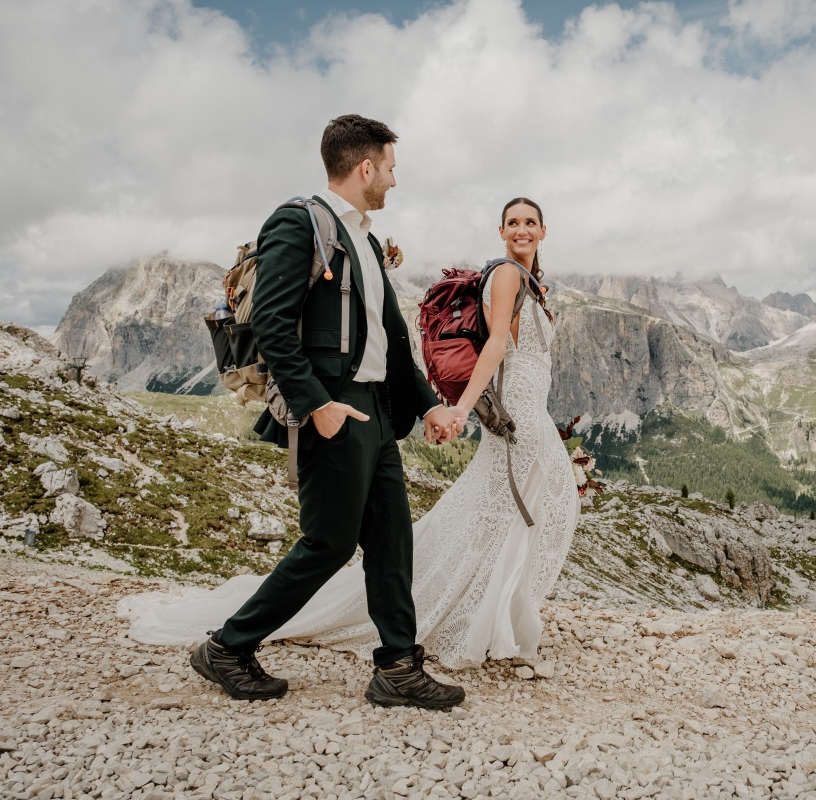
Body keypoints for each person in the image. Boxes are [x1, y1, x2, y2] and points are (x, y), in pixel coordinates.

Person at [120, 196, 580, 678]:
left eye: (530, 222)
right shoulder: (504, 273)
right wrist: (460, 407)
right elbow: (496, 345)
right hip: (432, 412)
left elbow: (403, 342)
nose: (522, 229)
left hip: (471, 410)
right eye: (513, 222)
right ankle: (233, 644)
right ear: (501, 230)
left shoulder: (518, 279)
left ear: (544, 231)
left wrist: (433, 406)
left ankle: (414, 655)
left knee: (427, 532)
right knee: (341, 542)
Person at [184, 114, 468, 710]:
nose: (394, 180)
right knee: (329, 544)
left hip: (374, 410)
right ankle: (228, 647)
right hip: (332, 409)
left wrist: (429, 407)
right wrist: (317, 407)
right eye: (390, 168)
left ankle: (397, 666)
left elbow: (389, 337)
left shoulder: (364, 241)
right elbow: (272, 325)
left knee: (392, 538)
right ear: (365, 167)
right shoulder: (297, 224)